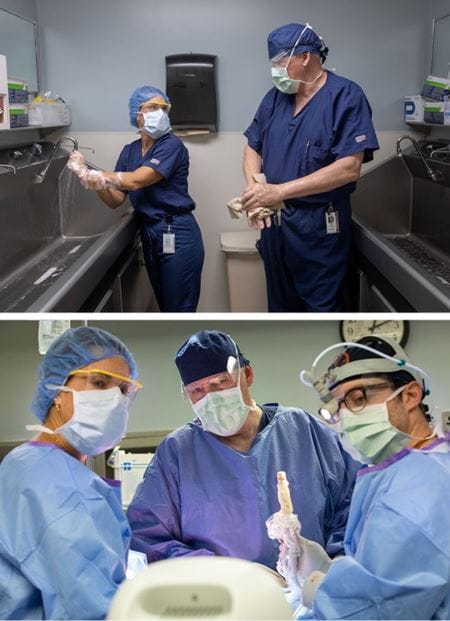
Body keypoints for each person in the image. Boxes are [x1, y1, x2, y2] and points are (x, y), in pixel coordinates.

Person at [127, 330, 360, 571]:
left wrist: (327, 568)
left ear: (247, 374)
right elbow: (147, 536)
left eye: (221, 382)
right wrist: (226, 575)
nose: (212, 397)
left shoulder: (304, 430)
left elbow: (354, 506)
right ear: (186, 394)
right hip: (224, 599)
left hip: (311, 594)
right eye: (198, 390)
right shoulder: (177, 452)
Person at [294, 336, 450, 620]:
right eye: (337, 407)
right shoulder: (417, 467)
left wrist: (314, 594)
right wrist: (331, 571)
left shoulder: (417, 492)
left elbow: (374, 610)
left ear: (410, 395)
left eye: (358, 398)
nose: (344, 418)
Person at [0, 326, 143, 620]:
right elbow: (91, 608)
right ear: (57, 391)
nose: (115, 400)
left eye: (123, 390)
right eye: (100, 383)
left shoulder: (24, 464)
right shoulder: (54, 482)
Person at [241, 23, 379, 312]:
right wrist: (256, 191)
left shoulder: (345, 96)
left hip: (318, 228)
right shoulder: (274, 99)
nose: (275, 70)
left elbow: (348, 167)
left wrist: (279, 191)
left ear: (305, 57)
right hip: (275, 226)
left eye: (280, 61)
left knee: (320, 312)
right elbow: (253, 146)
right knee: (280, 312)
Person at [67, 85, 204, 312]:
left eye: (164, 108)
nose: (160, 113)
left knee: (180, 310)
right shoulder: (129, 151)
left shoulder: (171, 145)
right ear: (137, 115)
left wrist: (98, 174)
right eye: (152, 107)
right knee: (165, 307)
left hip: (177, 232)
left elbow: (137, 180)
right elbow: (116, 199)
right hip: (150, 234)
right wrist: (93, 181)